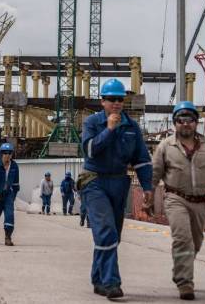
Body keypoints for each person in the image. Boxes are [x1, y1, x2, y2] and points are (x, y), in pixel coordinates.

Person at [151, 101, 205, 300]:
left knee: (195, 243)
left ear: (196, 122)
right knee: (183, 239)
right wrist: (149, 198)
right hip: (175, 198)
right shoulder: (166, 146)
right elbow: (154, 174)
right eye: (180, 120)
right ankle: (184, 283)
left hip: (200, 201)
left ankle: (182, 268)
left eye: (189, 119)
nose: (185, 124)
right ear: (175, 123)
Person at [80, 78, 154, 299]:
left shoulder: (131, 127)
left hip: (119, 183)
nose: (116, 103)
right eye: (111, 99)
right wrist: (110, 130)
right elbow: (91, 150)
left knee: (113, 237)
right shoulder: (91, 123)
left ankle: (98, 278)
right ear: (102, 101)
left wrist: (148, 187)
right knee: (106, 231)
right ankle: (112, 282)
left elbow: (142, 159)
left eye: (120, 99)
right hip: (94, 182)